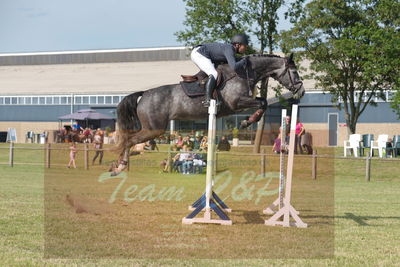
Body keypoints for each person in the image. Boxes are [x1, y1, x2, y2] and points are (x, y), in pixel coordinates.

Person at [191, 33, 250, 107]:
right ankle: (208, 99)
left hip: (201, 53)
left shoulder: (230, 49)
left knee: (215, 72)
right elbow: (234, 66)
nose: (246, 48)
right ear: (238, 45)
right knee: (214, 74)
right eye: (244, 46)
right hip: (199, 53)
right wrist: (244, 61)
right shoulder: (230, 49)